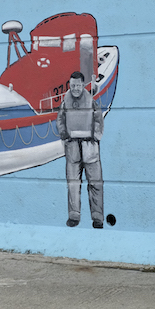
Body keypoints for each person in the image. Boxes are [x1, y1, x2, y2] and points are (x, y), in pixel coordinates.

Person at [56, 71, 104, 228]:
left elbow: (98, 119)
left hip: (90, 147)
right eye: (73, 85)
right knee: (73, 183)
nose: (75, 88)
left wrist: (95, 137)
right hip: (72, 148)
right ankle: (74, 216)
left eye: (78, 85)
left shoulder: (91, 101)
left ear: (83, 85)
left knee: (95, 183)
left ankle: (97, 217)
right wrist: (64, 135)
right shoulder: (66, 101)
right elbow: (60, 119)